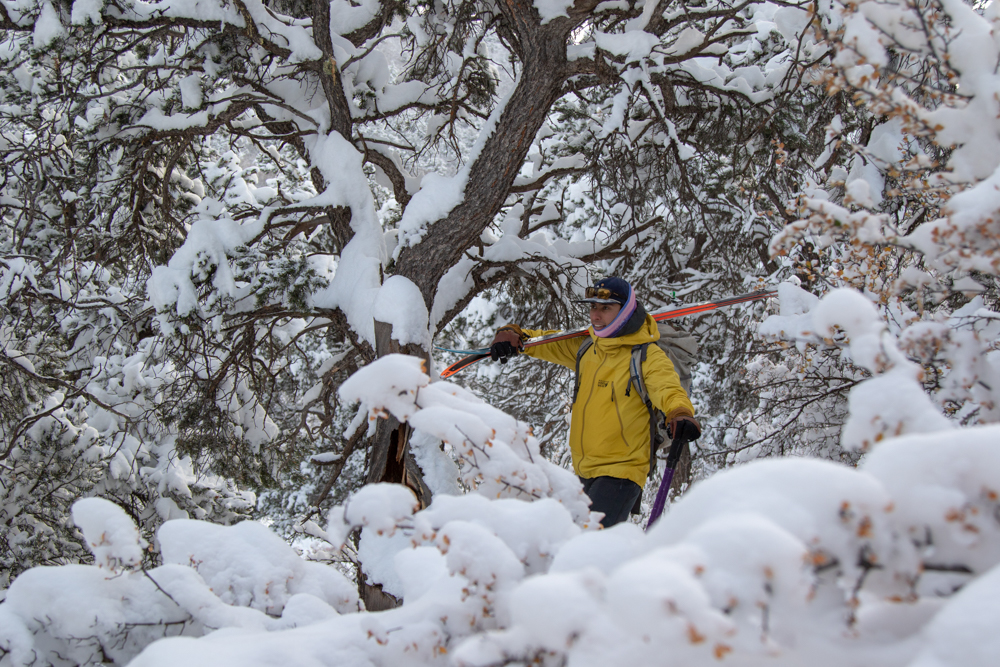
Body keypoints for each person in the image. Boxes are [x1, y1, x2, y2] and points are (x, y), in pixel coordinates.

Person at [489, 277, 700, 527]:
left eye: (605, 308)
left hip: (622, 472)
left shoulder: (646, 355)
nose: (596, 315)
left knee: (586, 546)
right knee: (570, 544)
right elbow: (542, 342)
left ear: (625, 311)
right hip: (584, 471)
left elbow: (668, 388)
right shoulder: (587, 348)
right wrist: (514, 336)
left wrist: (679, 412)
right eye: (593, 307)